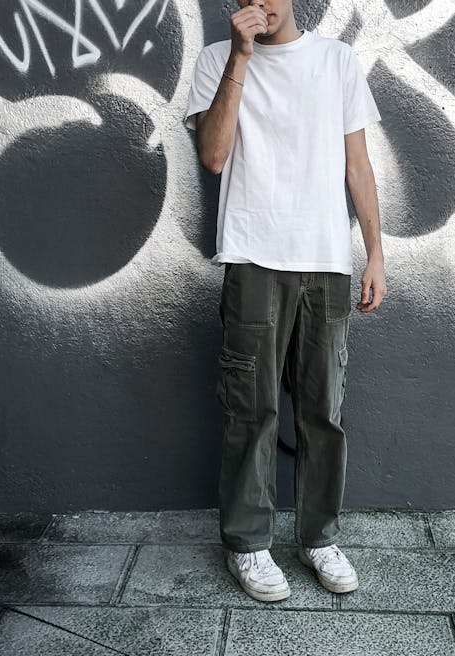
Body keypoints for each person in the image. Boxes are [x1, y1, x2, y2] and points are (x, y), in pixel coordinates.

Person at [183, 0, 386, 603]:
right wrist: (241, 58)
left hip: (325, 259)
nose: (260, 4)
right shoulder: (218, 59)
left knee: (324, 410)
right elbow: (214, 156)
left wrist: (374, 252)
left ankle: (318, 537)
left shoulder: (336, 60)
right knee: (253, 409)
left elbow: (358, 165)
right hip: (252, 257)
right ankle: (248, 546)